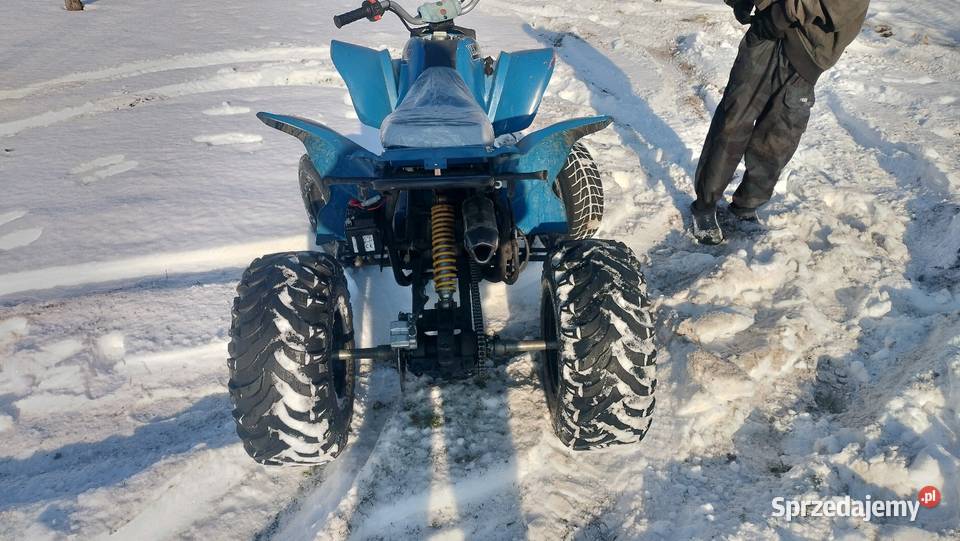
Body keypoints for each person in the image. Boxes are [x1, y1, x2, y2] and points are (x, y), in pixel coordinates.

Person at [690, 0, 870, 245]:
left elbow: (839, 6)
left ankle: (746, 207)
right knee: (733, 119)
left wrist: (783, 12)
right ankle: (704, 206)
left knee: (778, 138)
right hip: (765, 34)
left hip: (809, 51)